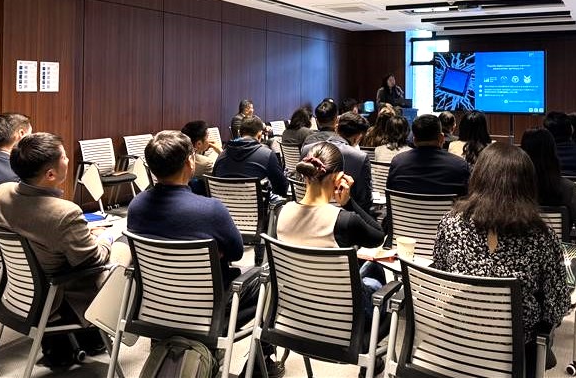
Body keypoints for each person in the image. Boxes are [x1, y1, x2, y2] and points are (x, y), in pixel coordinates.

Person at [127, 131, 284, 378]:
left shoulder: (136, 207)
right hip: (211, 309)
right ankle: (260, 362)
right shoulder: (210, 210)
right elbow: (236, 251)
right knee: (272, 280)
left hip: (157, 307)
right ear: (190, 163)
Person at [0, 132, 131, 367]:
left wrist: (79, 234)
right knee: (123, 245)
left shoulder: (0, 193)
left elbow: (38, 231)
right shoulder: (64, 213)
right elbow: (93, 261)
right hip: (57, 297)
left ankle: (83, 341)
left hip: (17, 291)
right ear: (50, 174)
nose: (68, 159)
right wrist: (107, 237)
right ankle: (110, 324)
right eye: (64, 156)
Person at [431, 142, 569, 374]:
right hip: (512, 353)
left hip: (455, 341)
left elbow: (441, 274)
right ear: (528, 185)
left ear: (477, 178)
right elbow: (557, 306)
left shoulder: (449, 223)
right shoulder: (541, 237)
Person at [276, 141, 386, 376]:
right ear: (338, 178)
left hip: (296, 315)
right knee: (375, 272)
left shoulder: (281, 212)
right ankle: (371, 361)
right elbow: (378, 236)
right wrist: (349, 202)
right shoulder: (343, 220)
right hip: (345, 323)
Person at [521, 128, 576, 239]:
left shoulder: (511, 187)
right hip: (558, 248)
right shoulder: (567, 188)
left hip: (517, 248)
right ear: (553, 153)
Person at [302, 112, 373, 215]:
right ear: (358, 137)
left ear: (336, 128)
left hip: (307, 213)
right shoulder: (360, 158)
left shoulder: (307, 149)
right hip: (343, 219)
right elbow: (365, 201)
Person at [387, 114, 470, 196]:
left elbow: (389, 191)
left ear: (414, 140)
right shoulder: (460, 166)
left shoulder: (397, 163)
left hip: (404, 205)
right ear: (441, 138)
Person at [214, 116, 288, 197]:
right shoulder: (267, 155)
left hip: (223, 204)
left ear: (239, 134)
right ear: (259, 135)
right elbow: (282, 187)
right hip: (255, 204)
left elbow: (214, 183)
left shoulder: (221, 156)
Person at [181, 120, 223, 196]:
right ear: (199, 144)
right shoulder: (206, 163)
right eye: (207, 137)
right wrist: (221, 152)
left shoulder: (176, 155)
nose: (209, 140)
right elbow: (220, 180)